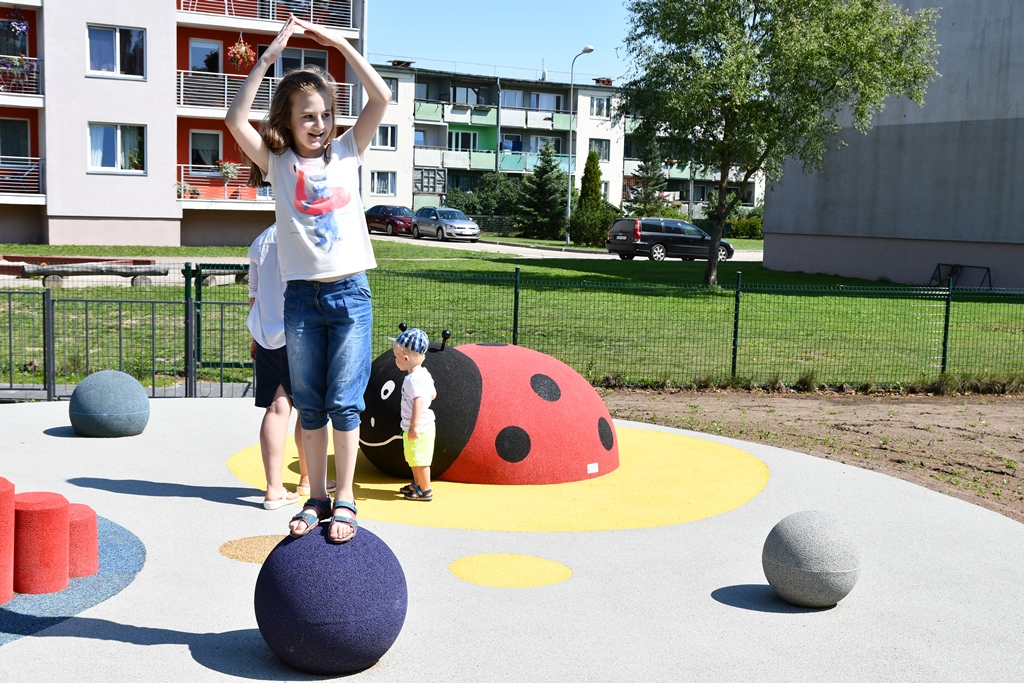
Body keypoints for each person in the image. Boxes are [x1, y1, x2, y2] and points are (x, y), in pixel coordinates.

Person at [226, 14, 390, 543]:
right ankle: (315, 497)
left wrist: (340, 43)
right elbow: (234, 118)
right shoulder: (277, 162)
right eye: (306, 116)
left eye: (324, 115)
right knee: (312, 405)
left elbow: (382, 97)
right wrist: (270, 57)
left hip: (350, 295)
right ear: (288, 121)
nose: (318, 124)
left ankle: (345, 499)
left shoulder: (347, 152)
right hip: (301, 299)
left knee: (345, 402)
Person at [247, 224, 335, 509]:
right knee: (308, 409)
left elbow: (254, 291)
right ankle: (308, 480)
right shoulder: (307, 233)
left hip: (268, 334)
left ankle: (274, 489)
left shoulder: (261, 240)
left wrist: (255, 336)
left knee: (277, 407)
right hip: (304, 331)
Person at [390, 328, 437, 501]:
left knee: (420, 460)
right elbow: (432, 394)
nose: (395, 360)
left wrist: (413, 426)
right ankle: (417, 484)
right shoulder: (424, 374)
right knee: (414, 458)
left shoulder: (413, 379)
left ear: (405, 358)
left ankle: (425, 490)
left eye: (396, 357)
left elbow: (419, 401)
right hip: (424, 426)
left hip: (419, 428)